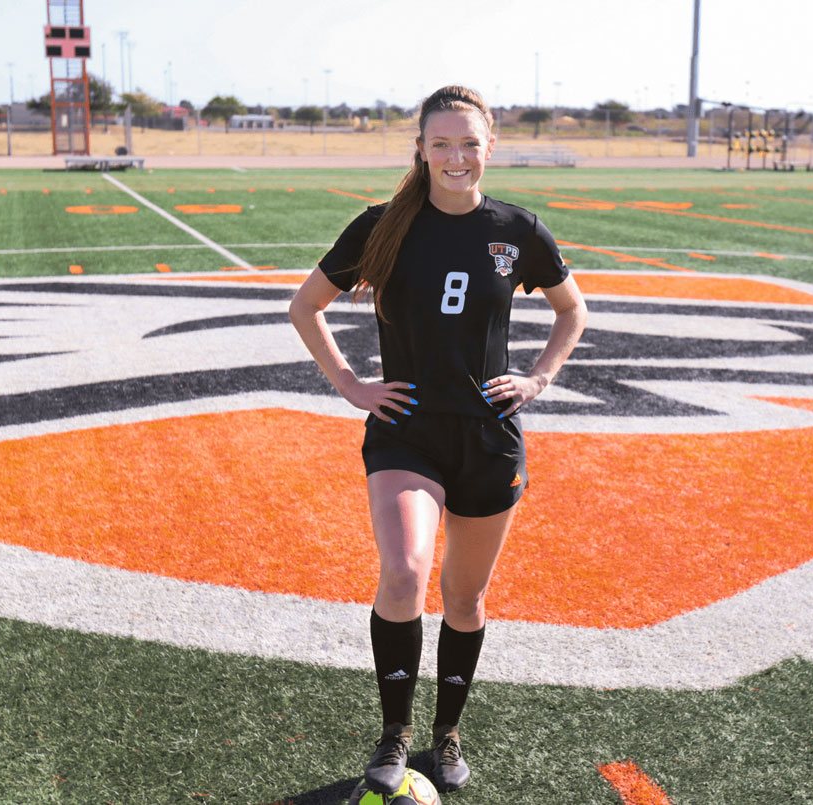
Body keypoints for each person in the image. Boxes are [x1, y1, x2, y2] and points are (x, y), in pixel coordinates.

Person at [288, 85, 587, 794]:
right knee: (403, 573)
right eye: (442, 143)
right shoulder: (382, 226)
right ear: (420, 150)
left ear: (490, 148)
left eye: (469, 143)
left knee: (465, 598)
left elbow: (572, 311)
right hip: (407, 433)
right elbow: (306, 306)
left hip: (488, 438)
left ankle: (445, 732)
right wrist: (352, 385)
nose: (457, 157)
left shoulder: (517, 230)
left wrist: (538, 378)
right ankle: (394, 732)